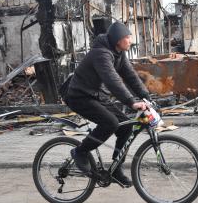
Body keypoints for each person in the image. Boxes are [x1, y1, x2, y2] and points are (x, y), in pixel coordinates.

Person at [64, 21, 150, 187]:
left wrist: (146, 96)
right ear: (118, 39)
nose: (130, 40)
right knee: (110, 123)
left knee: (126, 127)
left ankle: (116, 170)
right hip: (79, 96)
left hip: (97, 96)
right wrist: (132, 102)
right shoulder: (101, 54)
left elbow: (131, 76)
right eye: (128, 37)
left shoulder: (118, 53)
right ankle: (80, 152)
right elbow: (112, 80)